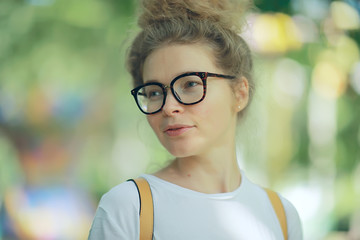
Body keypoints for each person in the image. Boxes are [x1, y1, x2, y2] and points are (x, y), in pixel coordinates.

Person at [88, 0, 303, 239]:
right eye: (154, 92)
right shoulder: (128, 208)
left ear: (239, 93)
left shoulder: (281, 215)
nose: (169, 108)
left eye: (190, 84)